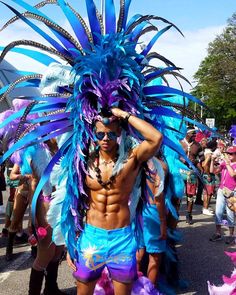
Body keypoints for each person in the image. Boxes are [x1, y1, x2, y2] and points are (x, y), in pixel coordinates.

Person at [68, 108, 162, 295]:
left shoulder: (131, 159)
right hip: (92, 238)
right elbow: (71, 200)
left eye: (111, 133)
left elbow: (156, 138)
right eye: (100, 133)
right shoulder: (83, 159)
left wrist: (123, 115)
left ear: (119, 132)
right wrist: (69, 241)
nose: (105, 138)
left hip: (122, 239)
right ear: (93, 132)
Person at [136, 157, 167, 285]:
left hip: (137, 210)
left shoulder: (136, 161)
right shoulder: (159, 165)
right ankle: (149, 291)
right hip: (153, 211)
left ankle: (133, 290)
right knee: (154, 257)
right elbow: (158, 196)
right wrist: (163, 221)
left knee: (138, 254)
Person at [209, 146, 236, 244]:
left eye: (231, 154)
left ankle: (231, 235)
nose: (228, 155)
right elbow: (213, 171)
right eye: (227, 153)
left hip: (231, 191)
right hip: (221, 190)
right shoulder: (224, 163)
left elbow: (233, 174)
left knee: (230, 213)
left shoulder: (231, 164)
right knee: (218, 212)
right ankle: (218, 233)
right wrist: (212, 160)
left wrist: (227, 163)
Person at [181, 128, 203, 224]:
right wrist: (180, 160)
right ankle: (174, 214)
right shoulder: (179, 143)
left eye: (195, 133)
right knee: (177, 194)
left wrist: (197, 162)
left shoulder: (197, 145)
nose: (195, 135)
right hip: (179, 171)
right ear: (187, 133)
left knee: (190, 195)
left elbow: (202, 157)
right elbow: (173, 156)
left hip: (192, 172)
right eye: (193, 133)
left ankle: (189, 214)